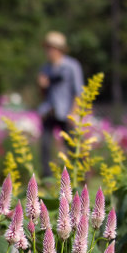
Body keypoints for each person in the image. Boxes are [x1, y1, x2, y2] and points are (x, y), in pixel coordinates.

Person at [37, 31, 84, 177]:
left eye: (51, 48)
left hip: (66, 111)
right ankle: (47, 177)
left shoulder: (71, 66)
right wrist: (42, 86)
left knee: (72, 145)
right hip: (50, 111)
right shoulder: (45, 68)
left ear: (59, 49)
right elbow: (43, 94)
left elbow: (78, 91)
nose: (49, 51)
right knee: (45, 145)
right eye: (47, 48)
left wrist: (74, 112)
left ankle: (80, 175)